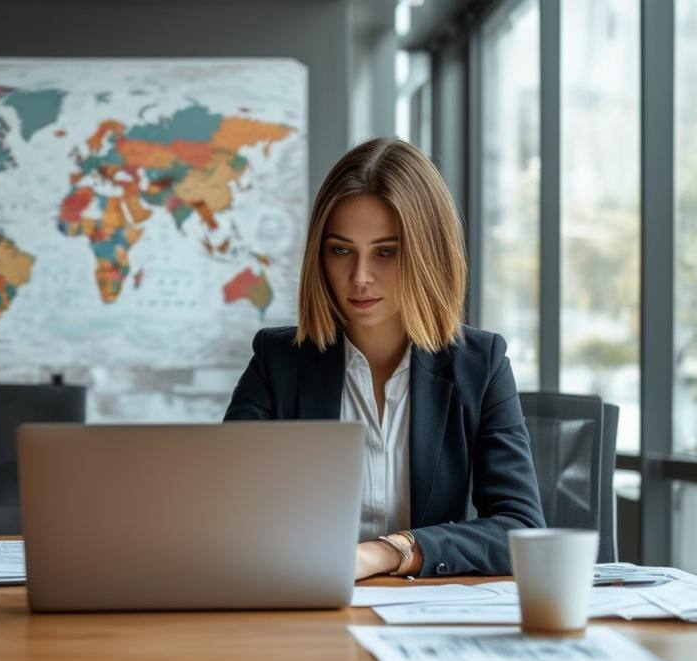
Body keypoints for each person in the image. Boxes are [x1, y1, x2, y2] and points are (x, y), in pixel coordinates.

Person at [224, 137, 544, 579]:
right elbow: (224, 510)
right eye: (341, 250)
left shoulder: (481, 364)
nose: (360, 277)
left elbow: (521, 527)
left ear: (427, 253)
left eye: (386, 252)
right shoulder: (278, 361)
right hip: (304, 604)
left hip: (425, 616)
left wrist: (386, 552)